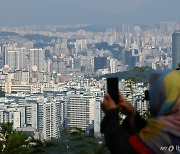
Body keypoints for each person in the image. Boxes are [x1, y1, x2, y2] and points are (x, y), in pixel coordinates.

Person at [101, 70, 180, 154]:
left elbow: (124, 150)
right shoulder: (175, 125)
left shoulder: (166, 130)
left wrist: (111, 113)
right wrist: (132, 114)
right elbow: (147, 140)